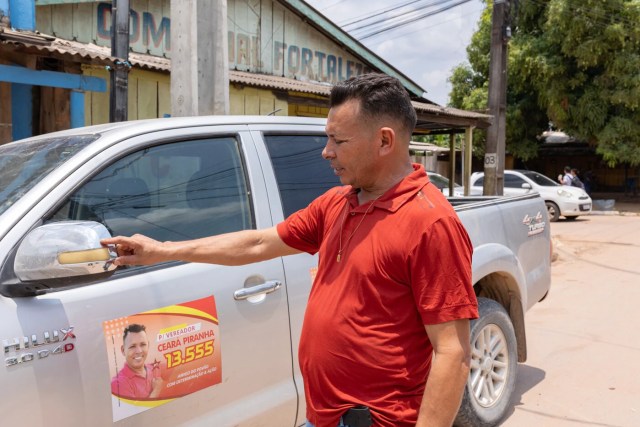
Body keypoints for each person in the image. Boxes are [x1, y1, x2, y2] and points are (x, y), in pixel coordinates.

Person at [102, 74, 478, 427]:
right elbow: (259, 242)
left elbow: (453, 353)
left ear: (384, 140)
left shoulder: (430, 224)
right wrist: (163, 250)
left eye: (339, 141)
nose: (326, 152)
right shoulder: (338, 203)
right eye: (327, 139)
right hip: (324, 415)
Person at [111, 323, 164, 399]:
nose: (139, 351)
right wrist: (156, 390)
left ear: (148, 345)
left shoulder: (154, 368)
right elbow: (137, 409)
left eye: (143, 344)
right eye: (132, 346)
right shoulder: (118, 383)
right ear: (123, 350)